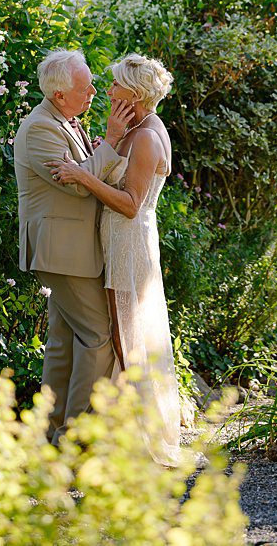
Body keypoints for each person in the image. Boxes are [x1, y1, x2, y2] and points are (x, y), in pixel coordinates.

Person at [48, 53, 189, 467]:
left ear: (135, 94)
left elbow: (130, 204)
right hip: (116, 243)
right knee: (121, 337)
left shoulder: (146, 137)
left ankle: (137, 438)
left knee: (125, 341)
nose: (107, 91)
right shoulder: (135, 129)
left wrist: (83, 176)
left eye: (114, 85)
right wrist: (104, 152)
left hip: (129, 247)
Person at [12, 49, 125, 440]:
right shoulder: (40, 128)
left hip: (69, 250)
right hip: (62, 252)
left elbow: (82, 172)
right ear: (59, 95)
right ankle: (74, 440)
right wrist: (111, 141)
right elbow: (78, 186)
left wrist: (93, 154)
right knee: (98, 337)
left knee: (63, 342)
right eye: (85, 87)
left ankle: (48, 434)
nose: (93, 92)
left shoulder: (64, 121)